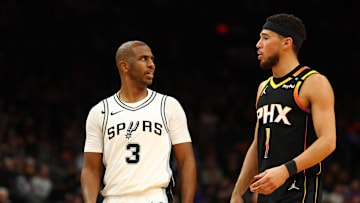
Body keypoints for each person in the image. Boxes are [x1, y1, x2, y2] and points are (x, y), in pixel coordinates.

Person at [230, 13, 336, 203]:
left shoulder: (313, 82)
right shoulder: (263, 88)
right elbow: (257, 144)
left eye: (265, 38)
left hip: (299, 191)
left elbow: (328, 141)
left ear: (286, 43)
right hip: (267, 193)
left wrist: (285, 171)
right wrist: (238, 192)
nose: (258, 44)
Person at [80, 40, 197, 203]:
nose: (151, 65)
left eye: (152, 59)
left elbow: (186, 161)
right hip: (114, 198)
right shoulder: (100, 112)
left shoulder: (168, 105)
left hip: (156, 197)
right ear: (124, 66)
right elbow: (91, 168)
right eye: (144, 59)